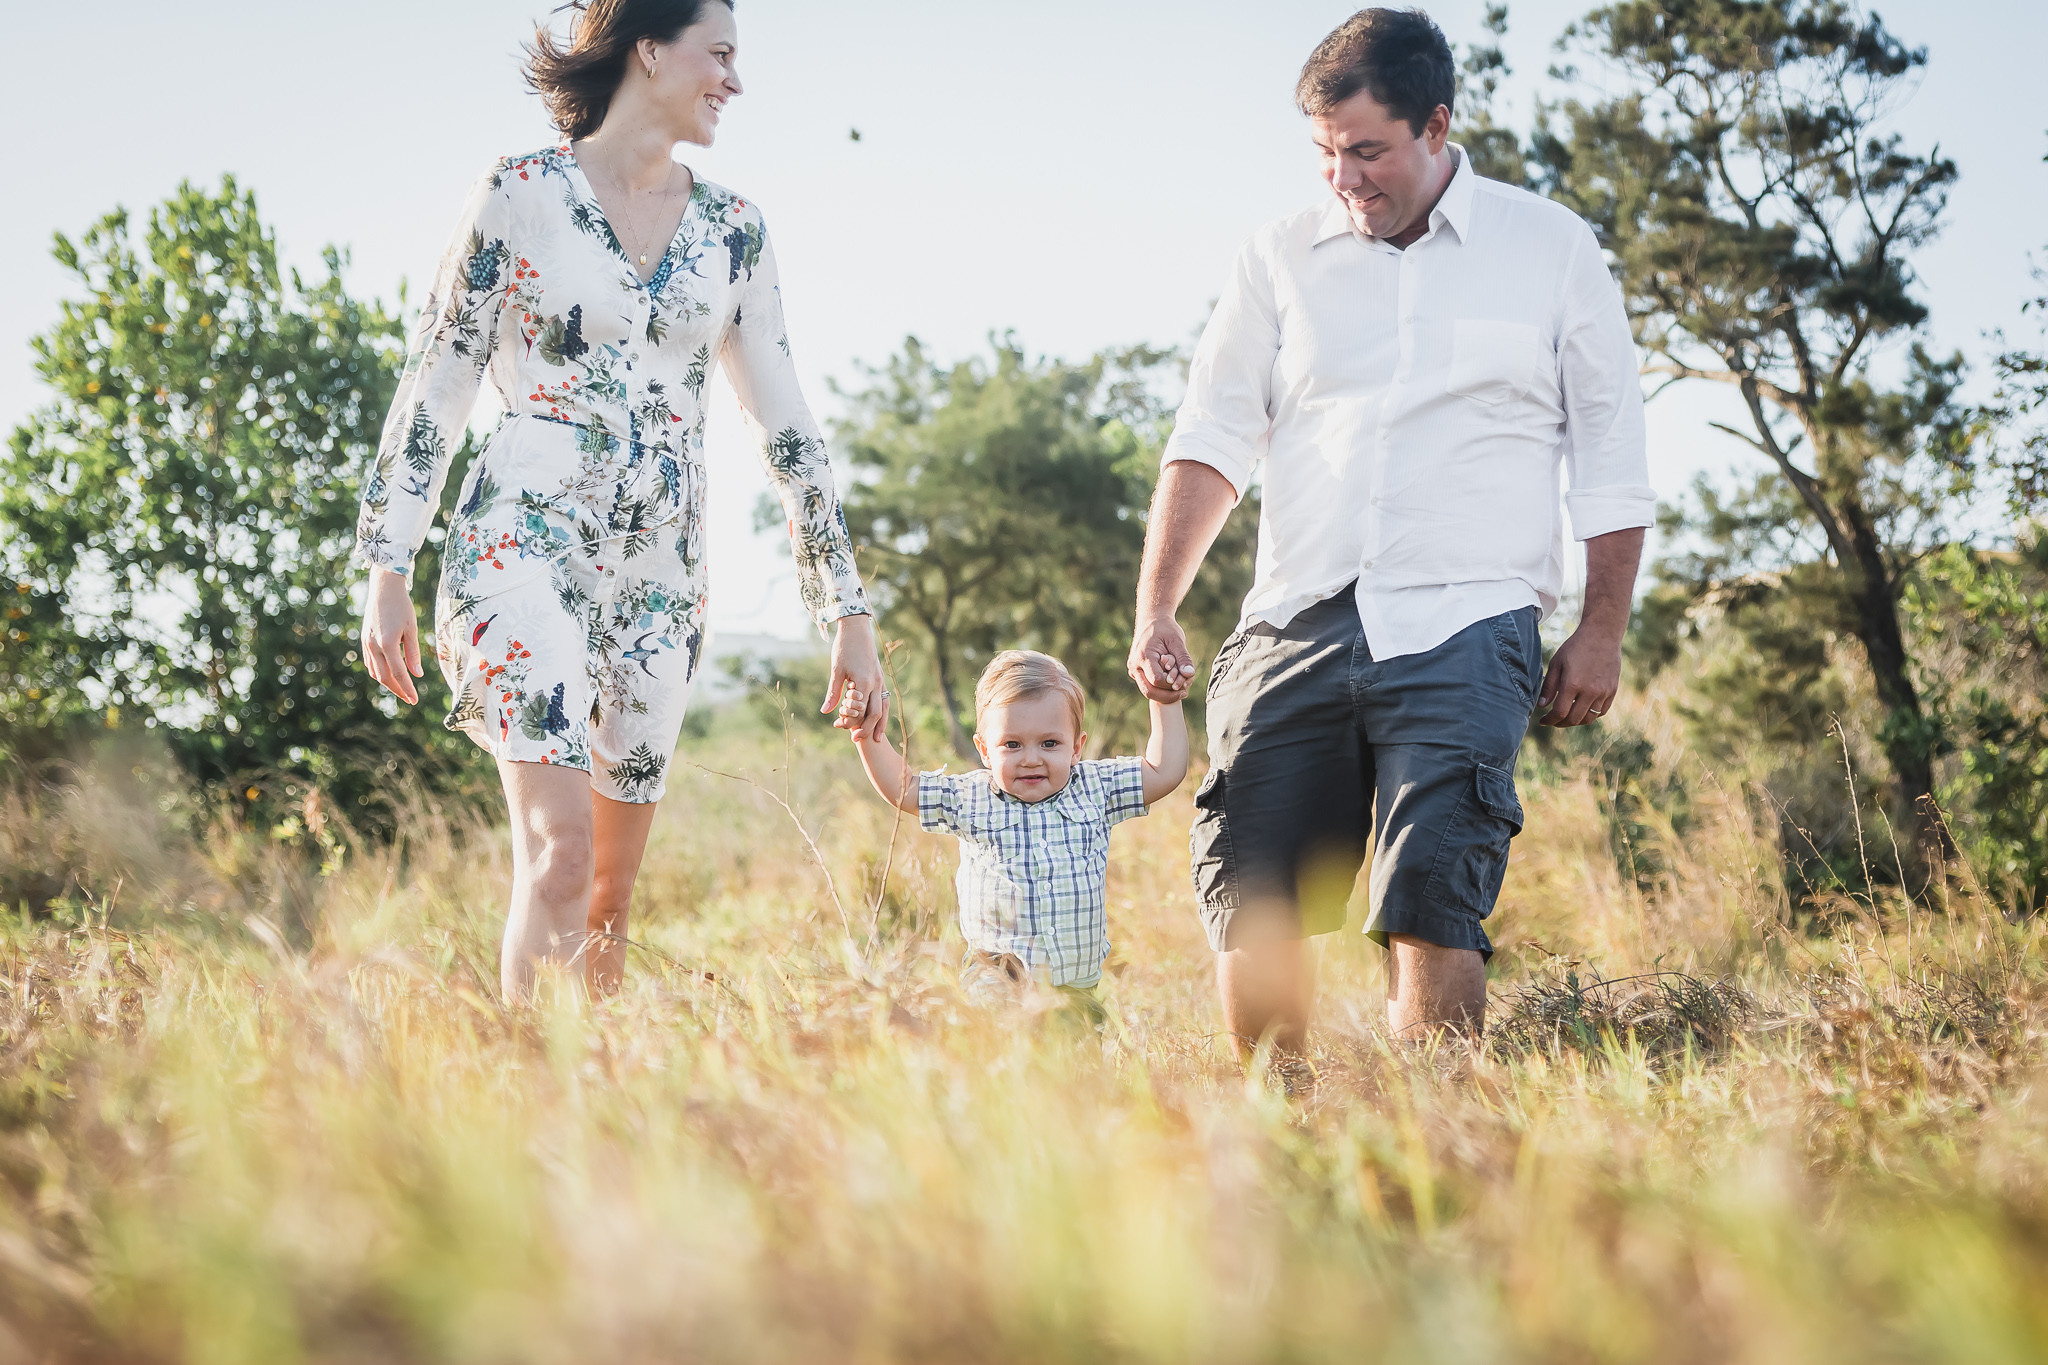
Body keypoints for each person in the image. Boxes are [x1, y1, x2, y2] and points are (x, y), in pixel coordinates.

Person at [1127, 8, 1654, 1051]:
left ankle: (1431, 1127)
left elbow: (1609, 453)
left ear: (1436, 125)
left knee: (1430, 896)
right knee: (1255, 894)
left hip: (1468, 617)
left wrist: (1601, 630)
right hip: (1293, 615)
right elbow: (1213, 436)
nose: (1343, 178)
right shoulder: (1277, 256)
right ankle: (1277, 1124)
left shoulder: (1550, 248)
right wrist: (1158, 604)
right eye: (1324, 153)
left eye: (1366, 151)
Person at [355, 0, 887, 1002]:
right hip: (521, 541)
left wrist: (845, 611)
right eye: (718, 54)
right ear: (648, 49)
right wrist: (389, 562)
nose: (734, 80)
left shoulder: (734, 231)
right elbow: (438, 378)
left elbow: (786, 425)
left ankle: (591, 1096)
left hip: (660, 574)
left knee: (607, 893)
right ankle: (528, 1080)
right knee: (559, 856)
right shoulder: (519, 193)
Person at [844, 651, 1188, 1023]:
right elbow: (906, 788)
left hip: (1074, 987)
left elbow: (1163, 771)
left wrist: (1163, 700)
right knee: (1003, 1039)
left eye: (1049, 743)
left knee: (1074, 1055)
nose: (1031, 759)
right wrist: (866, 733)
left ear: (1076, 746)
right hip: (997, 973)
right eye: (1012, 745)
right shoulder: (971, 798)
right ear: (984, 750)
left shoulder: (1095, 788)